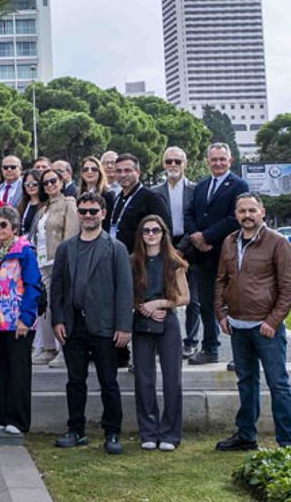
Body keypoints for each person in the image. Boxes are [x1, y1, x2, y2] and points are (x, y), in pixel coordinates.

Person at [214, 194, 291, 451]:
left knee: (278, 384)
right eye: (242, 211)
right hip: (237, 327)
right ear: (236, 214)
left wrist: (273, 321)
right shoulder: (229, 242)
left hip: (266, 328)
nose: (247, 215)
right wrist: (221, 314)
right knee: (246, 382)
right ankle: (246, 435)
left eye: (252, 210)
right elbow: (221, 281)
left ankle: (286, 443)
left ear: (262, 211)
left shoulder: (277, 242)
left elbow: (289, 286)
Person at [50, 193, 133, 455]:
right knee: (75, 380)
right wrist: (58, 319)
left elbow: (124, 290)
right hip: (73, 324)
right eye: (83, 211)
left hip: (105, 326)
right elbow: (57, 288)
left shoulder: (116, 248)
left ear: (103, 213)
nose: (87, 215)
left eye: (93, 211)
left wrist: (123, 326)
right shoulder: (66, 248)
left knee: (108, 381)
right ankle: (75, 429)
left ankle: (112, 432)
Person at [129, 215, 190, 452]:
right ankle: (148, 431)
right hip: (142, 322)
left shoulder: (174, 262)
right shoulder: (133, 261)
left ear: (163, 233)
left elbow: (185, 297)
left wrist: (161, 304)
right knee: (144, 379)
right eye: (146, 231)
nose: (151, 234)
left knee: (172, 378)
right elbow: (127, 294)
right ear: (141, 234)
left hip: (168, 322)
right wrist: (145, 308)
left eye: (156, 230)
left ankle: (170, 433)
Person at [185, 143, 249, 366]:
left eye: (222, 159)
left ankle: (241, 355)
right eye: (214, 159)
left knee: (234, 303)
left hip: (228, 253)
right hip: (203, 256)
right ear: (208, 161)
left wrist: (207, 236)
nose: (218, 163)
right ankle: (210, 347)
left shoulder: (239, 185)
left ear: (230, 161)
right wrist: (195, 236)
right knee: (206, 303)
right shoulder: (201, 186)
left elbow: (236, 218)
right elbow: (190, 213)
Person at [0, 206, 42, 435]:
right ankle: (3, 414)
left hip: (18, 321)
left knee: (19, 371)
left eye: (3, 225)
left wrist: (25, 318)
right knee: (1, 369)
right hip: (0, 321)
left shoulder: (25, 250)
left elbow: (33, 285)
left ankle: (18, 419)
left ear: (14, 228)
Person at [19, 168, 80, 367]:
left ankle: (64, 348)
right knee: (43, 307)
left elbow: (71, 236)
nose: (50, 185)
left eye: (53, 181)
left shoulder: (68, 205)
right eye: (45, 183)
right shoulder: (43, 207)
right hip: (40, 263)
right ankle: (48, 347)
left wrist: (67, 265)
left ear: (62, 182)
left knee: (60, 307)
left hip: (59, 263)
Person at [150, 147, 199, 358]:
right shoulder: (154, 192)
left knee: (193, 298)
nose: (173, 165)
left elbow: (198, 221)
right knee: (164, 294)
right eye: (169, 161)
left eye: (177, 161)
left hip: (190, 247)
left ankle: (191, 340)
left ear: (185, 164)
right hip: (164, 246)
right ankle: (163, 339)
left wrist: (182, 248)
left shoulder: (196, 190)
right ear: (163, 164)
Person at [106, 153, 171, 250]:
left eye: (127, 170)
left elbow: (166, 230)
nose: (123, 175)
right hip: (117, 254)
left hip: (140, 258)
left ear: (138, 172)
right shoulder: (117, 198)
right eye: (118, 171)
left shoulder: (152, 197)